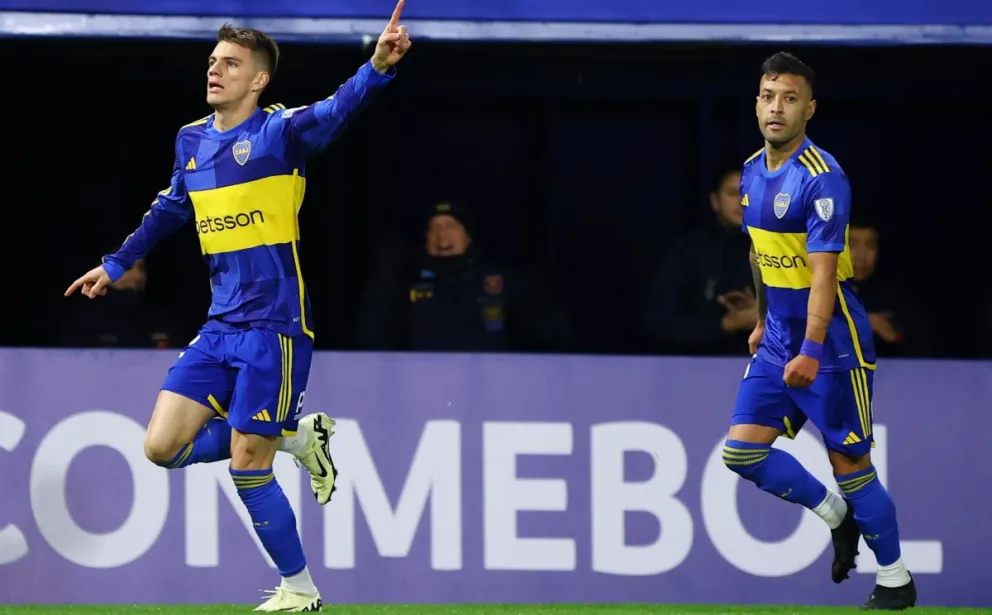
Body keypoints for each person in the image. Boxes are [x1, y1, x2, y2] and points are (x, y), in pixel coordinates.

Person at [64, 3, 412, 611]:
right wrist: (116, 263)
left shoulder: (280, 134)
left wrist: (377, 66)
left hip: (275, 326)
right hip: (220, 325)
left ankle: (300, 589)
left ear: (259, 80)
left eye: (230, 63)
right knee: (161, 447)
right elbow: (171, 207)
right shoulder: (191, 140)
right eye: (212, 60)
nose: (215, 70)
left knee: (249, 465)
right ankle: (294, 435)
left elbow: (336, 109)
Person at [722, 52, 915, 611]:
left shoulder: (822, 177)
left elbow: (824, 274)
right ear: (756, 104)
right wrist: (763, 320)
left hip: (831, 343)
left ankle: (896, 580)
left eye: (789, 99)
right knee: (741, 453)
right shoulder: (751, 171)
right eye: (768, 96)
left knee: (849, 465)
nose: (776, 108)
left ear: (809, 109)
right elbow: (760, 255)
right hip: (778, 337)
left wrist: (809, 347)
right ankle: (835, 516)